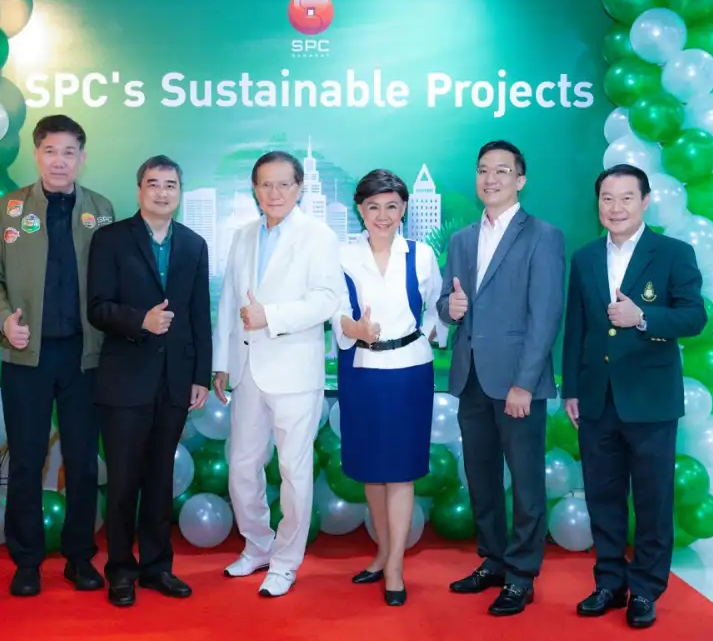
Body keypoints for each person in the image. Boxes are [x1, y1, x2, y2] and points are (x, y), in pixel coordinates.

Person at [0, 114, 114, 597]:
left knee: (83, 461)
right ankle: (27, 561)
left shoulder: (101, 209)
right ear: (37, 154)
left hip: (84, 357)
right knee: (27, 460)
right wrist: (3, 319)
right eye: (50, 151)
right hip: (26, 358)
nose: (59, 161)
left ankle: (79, 557)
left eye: (69, 152)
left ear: (81, 158)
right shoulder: (8, 208)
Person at [562, 164, 706, 629]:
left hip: (650, 399)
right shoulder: (585, 257)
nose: (616, 207)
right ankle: (609, 581)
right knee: (602, 495)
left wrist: (642, 317)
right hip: (597, 398)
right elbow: (576, 327)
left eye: (627, 198)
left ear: (645, 201)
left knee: (651, 499)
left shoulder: (674, 253)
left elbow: (694, 317)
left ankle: (645, 588)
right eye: (607, 198)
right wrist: (572, 389)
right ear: (598, 205)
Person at [436, 140, 565, 616]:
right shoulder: (461, 239)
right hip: (471, 377)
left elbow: (545, 316)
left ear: (520, 180)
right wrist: (448, 309)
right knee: (481, 477)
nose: (490, 179)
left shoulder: (543, 236)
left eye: (502, 171)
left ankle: (522, 575)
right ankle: (492, 560)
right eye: (483, 170)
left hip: (517, 384)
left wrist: (525, 384)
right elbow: (445, 306)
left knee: (526, 483)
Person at [213, 150, 344, 598]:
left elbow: (327, 299)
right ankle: (258, 545)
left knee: (293, 470)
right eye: (265, 184)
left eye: (283, 184)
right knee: (242, 466)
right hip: (246, 369)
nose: (274, 193)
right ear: (254, 189)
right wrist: (221, 361)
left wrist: (271, 315)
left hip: (294, 372)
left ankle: (286, 562)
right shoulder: (244, 235)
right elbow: (229, 303)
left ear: (299, 187)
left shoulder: (318, 236)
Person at [86, 155, 212, 607]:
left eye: (170, 185)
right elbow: (97, 307)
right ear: (139, 190)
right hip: (124, 381)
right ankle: (121, 569)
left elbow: (199, 315)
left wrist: (200, 375)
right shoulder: (110, 239)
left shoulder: (194, 244)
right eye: (153, 184)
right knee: (123, 482)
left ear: (179, 192)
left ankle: (158, 568)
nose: (162, 192)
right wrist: (141, 320)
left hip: (175, 382)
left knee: (161, 480)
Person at [332, 169, 447, 606]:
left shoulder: (421, 255)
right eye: (374, 207)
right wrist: (355, 329)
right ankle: (382, 552)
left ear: (404, 210)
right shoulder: (342, 255)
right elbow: (335, 312)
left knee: (399, 470)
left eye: (392, 206)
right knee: (371, 469)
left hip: (409, 372)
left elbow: (435, 307)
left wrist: (434, 329)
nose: (383, 215)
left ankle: (395, 567)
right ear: (360, 210)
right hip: (361, 370)